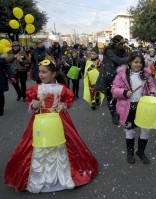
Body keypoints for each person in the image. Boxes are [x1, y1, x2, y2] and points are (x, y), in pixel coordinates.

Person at [4, 57, 98, 193]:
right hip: (40, 123)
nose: (40, 75)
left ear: (53, 74)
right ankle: (37, 177)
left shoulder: (62, 89)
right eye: (39, 72)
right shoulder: (35, 89)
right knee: (36, 144)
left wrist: (63, 106)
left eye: (44, 72)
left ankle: (65, 175)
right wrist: (34, 105)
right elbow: (30, 106)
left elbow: (68, 101)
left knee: (64, 143)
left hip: (58, 121)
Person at [111, 51, 156, 164]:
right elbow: (114, 90)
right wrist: (124, 92)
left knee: (146, 129)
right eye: (135, 62)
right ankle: (130, 152)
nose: (138, 65)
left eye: (140, 63)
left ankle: (140, 151)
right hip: (129, 108)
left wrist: (152, 93)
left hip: (143, 107)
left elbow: (151, 87)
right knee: (130, 130)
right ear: (130, 62)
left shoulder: (146, 74)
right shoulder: (121, 75)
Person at [95, 35, 129, 124]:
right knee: (110, 96)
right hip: (107, 76)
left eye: (123, 43)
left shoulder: (122, 49)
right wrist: (130, 58)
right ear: (116, 43)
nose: (122, 45)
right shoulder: (109, 50)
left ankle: (119, 111)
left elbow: (125, 56)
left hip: (117, 76)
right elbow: (118, 60)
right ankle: (113, 113)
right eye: (121, 43)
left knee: (118, 95)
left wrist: (131, 54)